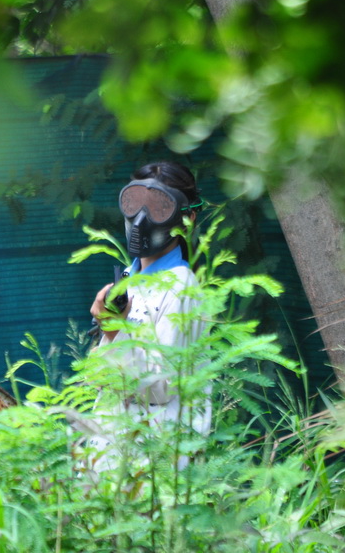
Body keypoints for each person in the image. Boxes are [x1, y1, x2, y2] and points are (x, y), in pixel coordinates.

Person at [83, 161, 211, 469]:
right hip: (116, 453)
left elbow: (160, 387)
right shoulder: (130, 279)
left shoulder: (181, 286)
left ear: (188, 216)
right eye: (136, 202)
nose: (142, 218)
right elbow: (98, 378)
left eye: (158, 207)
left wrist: (113, 330)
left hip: (155, 462)